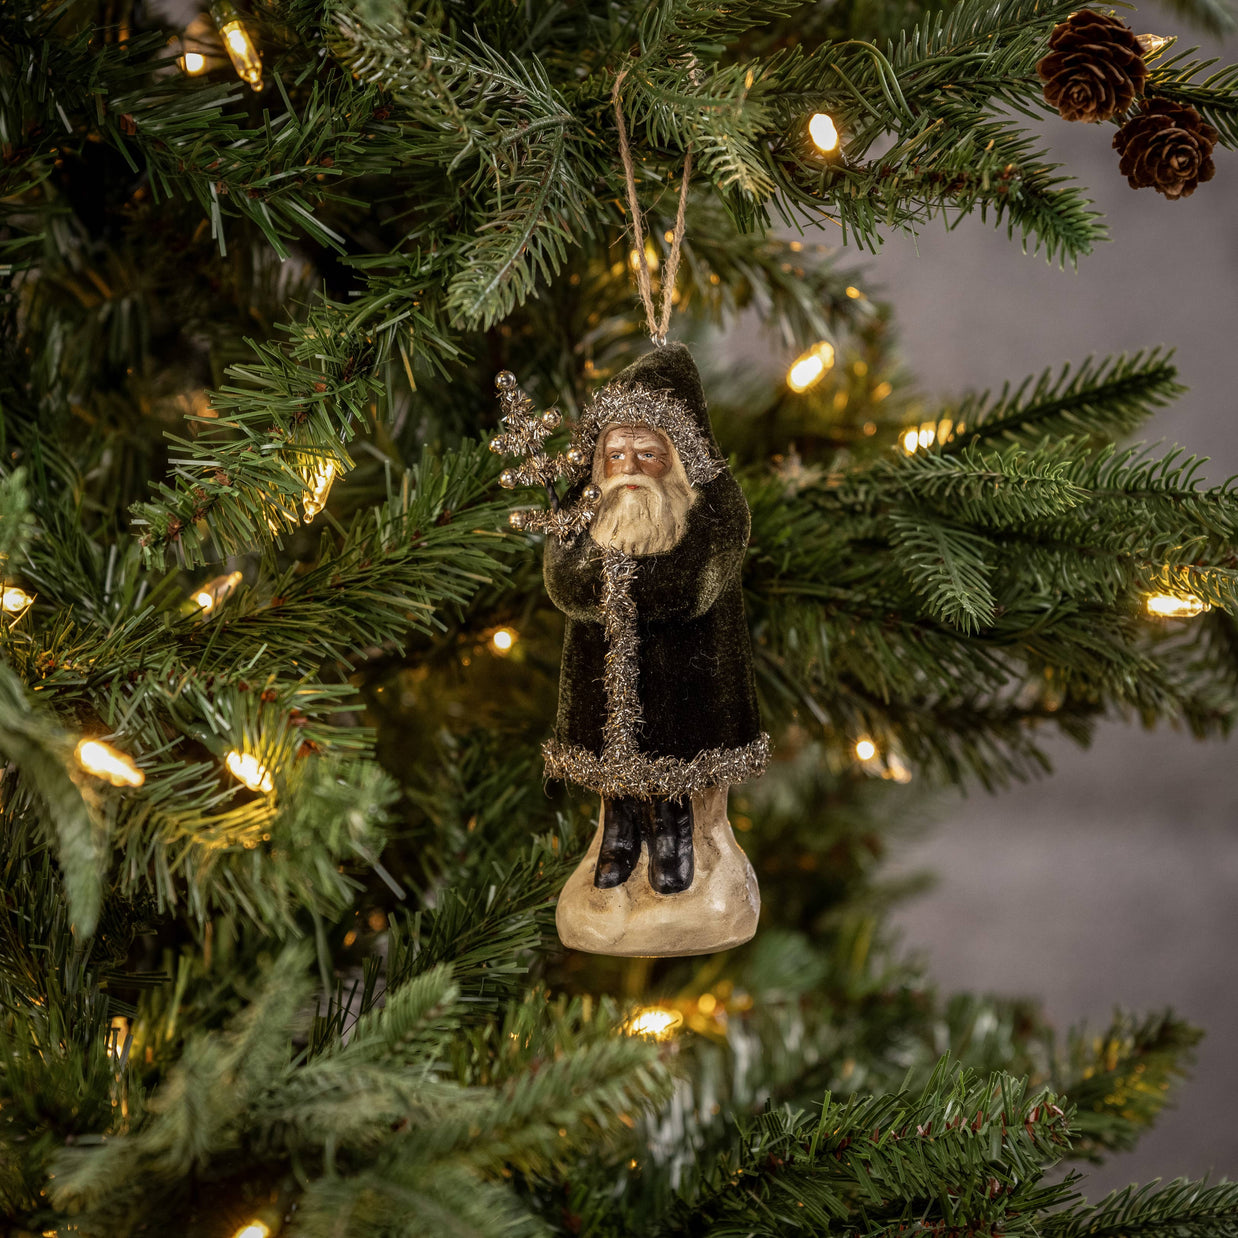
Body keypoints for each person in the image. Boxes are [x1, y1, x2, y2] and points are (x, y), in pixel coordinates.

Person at [542, 344, 768, 896]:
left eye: (647, 454)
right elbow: (564, 583)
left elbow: (691, 587)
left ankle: (673, 839)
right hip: (600, 685)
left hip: (682, 684)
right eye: (616, 455)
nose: (630, 470)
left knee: (671, 770)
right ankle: (618, 836)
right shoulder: (589, 510)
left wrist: (618, 579)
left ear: (677, 456)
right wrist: (596, 569)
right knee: (613, 782)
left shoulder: (712, 509)